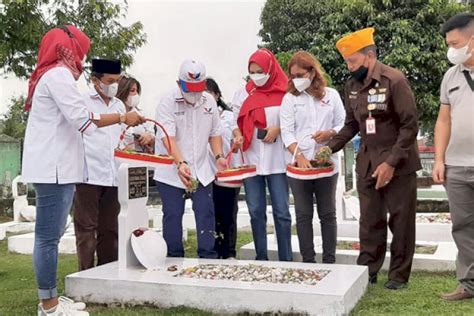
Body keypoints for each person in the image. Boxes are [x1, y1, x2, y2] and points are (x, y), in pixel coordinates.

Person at [21, 26, 143, 316]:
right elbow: (83, 120)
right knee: (48, 238)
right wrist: (124, 117)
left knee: (52, 235)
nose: (82, 56)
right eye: (81, 50)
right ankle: (49, 307)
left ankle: (51, 298)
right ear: (68, 48)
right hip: (54, 168)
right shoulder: (58, 76)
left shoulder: (53, 76)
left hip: (58, 167)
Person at [318, 27, 421, 289]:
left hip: (399, 162)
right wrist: (330, 148)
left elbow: (410, 125)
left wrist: (391, 163)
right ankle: (368, 270)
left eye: (353, 60)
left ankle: (398, 275)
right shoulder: (351, 85)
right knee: (370, 219)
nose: (350, 67)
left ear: (370, 55)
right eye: (347, 62)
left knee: (401, 221)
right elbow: (352, 125)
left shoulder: (394, 80)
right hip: (368, 162)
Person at [154, 60, 227, 258]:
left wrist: (219, 155)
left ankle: (208, 255)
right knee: (173, 213)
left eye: (198, 88)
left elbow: (214, 133)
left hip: (201, 167)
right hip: (172, 169)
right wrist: (180, 163)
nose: (194, 94)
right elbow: (168, 138)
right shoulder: (167, 101)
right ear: (179, 84)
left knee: (205, 212)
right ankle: (173, 257)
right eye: (189, 89)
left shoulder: (209, 102)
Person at [280, 51, 345, 263]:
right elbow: (286, 131)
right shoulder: (290, 99)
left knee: (327, 214)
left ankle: (329, 260)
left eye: (300, 74)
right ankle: (308, 260)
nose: (296, 80)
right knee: (303, 214)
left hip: (326, 163)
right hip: (299, 167)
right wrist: (298, 156)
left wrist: (329, 134)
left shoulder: (331, 95)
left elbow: (343, 124)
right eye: (292, 76)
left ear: (312, 72)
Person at [232, 48, 293, 261]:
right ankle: (261, 256)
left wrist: (279, 129)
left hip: (277, 160)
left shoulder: (286, 91)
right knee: (256, 211)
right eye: (252, 72)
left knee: (282, 212)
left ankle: (286, 259)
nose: (256, 76)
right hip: (252, 159)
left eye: (260, 71)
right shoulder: (243, 93)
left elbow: (294, 121)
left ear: (270, 68)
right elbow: (234, 120)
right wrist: (238, 134)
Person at [433, 12, 474, 301]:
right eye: (448, 43)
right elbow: (443, 120)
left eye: (456, 42)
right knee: (462, 228)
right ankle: (469, 285)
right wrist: (438, 160)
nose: (451, 49)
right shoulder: (451, 76)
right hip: (457, 166)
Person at [73, 59, 125, 271]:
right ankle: (85, 274)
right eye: (110, 80)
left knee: (110, 229)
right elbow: (84, 124)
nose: (114, 85)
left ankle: (107, 272)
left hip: (113, 174)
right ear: (95, 80)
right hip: (88, 174)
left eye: (117, 80)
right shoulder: (82, 100)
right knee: (86, 229)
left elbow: (123, 136)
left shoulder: (119, 104)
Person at [206, 77, 240, 259]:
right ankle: (212, 251)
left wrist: (237, 139)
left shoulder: (228, 115)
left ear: (217, 95)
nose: (206, 97)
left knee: (228, 213)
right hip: (207, 173)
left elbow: (237, 133)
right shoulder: (198, 115)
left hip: (227, 172)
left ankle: (229, 252)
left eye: (209, 93)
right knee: (211, 214)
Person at [116, 75, 155, 152]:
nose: (136, 94)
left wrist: (149, 138)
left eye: (137, 91)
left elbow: (154, 139)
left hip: (140, 160)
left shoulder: (143, 114)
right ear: (123, 92)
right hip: (119, 159)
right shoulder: (114, 116)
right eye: (133, 91)